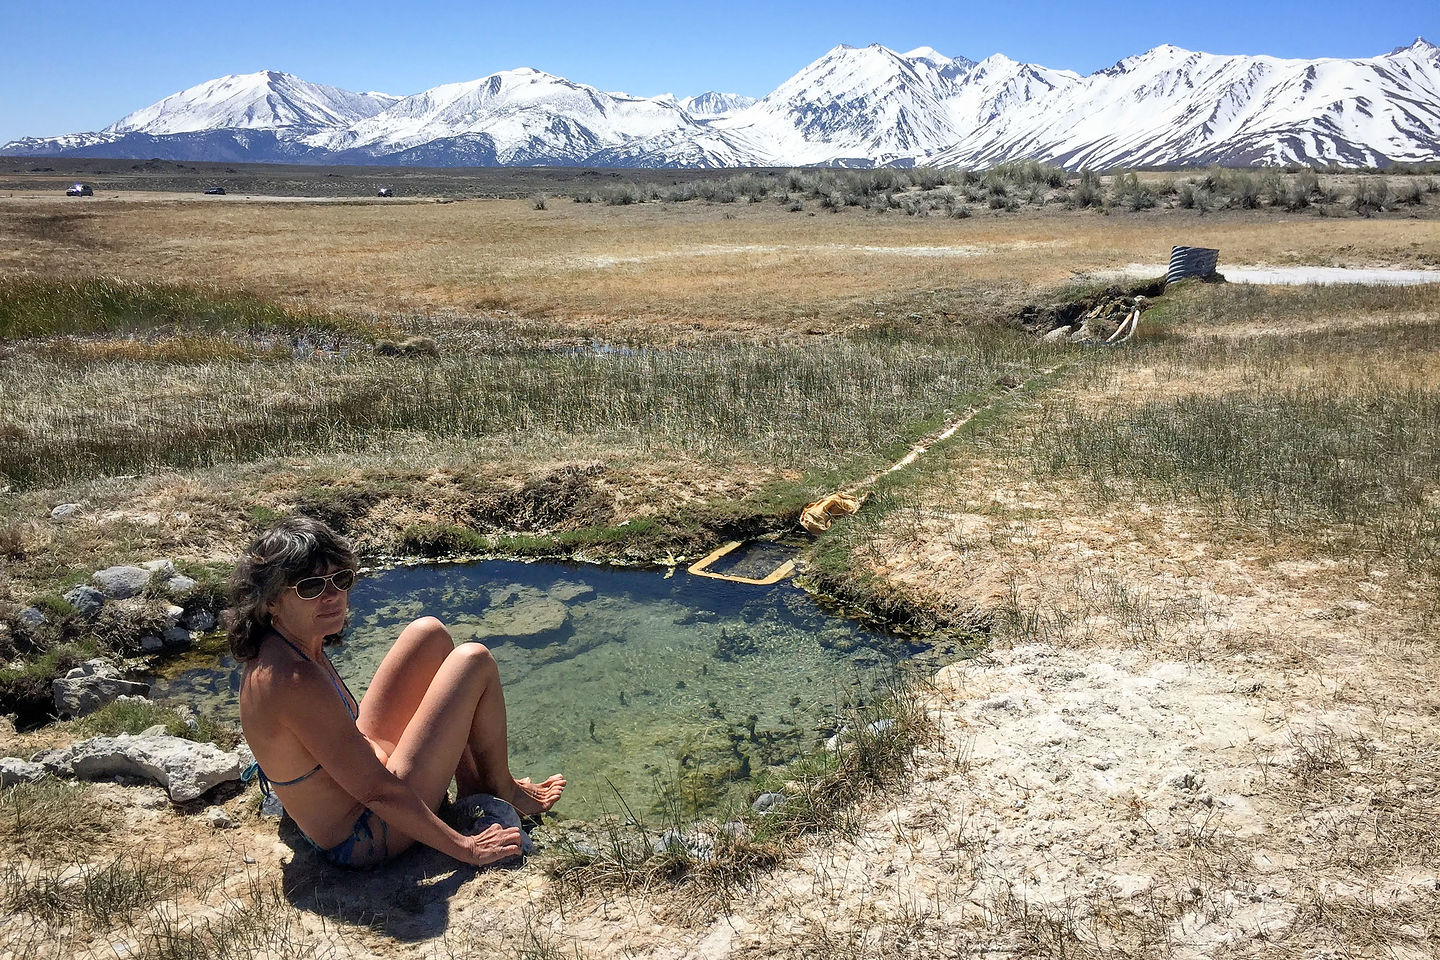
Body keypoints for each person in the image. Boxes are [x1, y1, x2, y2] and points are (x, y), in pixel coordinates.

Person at [227, 516, 564, 869]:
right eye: (310, 588)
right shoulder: (293, 678)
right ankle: (501, 791)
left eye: (341, 580)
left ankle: (473, 788)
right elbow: (376, 792)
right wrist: (467, 848)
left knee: (429, 634)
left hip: (362, 785)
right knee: (473, 660)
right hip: (364, 835)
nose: (332, 597)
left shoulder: (287, 643)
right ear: (270, 601)